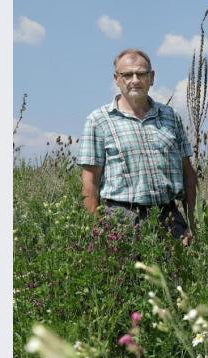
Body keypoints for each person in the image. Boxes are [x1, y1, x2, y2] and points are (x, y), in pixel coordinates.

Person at [77, 48, 197, 246]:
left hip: (169, 217)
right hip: (120, 218)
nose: (135, 80)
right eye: (127, 74)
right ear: (116, 79)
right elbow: (90, 181)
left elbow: (188, 174)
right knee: (128, 277)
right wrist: (96, 230)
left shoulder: (170, 117)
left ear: (151, 77)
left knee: (173, 276)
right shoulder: (98, 120)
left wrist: (191, 224)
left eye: (141, 74)